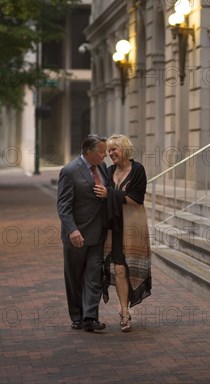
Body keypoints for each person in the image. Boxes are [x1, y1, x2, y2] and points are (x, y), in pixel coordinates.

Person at [94, 134, 152, 332]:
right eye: (109, 150)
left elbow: (136, 199)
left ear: (124, 149)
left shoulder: (138, 170)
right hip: (114, 227)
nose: (110, 154)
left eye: (114, 149)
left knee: (130, 268)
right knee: (118, 269)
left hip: (133, 226)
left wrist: (110, 194)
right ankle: (124, 312)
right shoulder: (108, 171)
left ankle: (126, 306)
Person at [57, 134, 108, 332]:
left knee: (94, 275)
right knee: (74, 276)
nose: (105, 156)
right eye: (101, 152)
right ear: (89, 152)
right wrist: (72, 230)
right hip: (77, 235)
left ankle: (90, 317)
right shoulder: (69, 171)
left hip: (97, 233)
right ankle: (77, 316)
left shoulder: (102, 168)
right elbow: (63, 205)